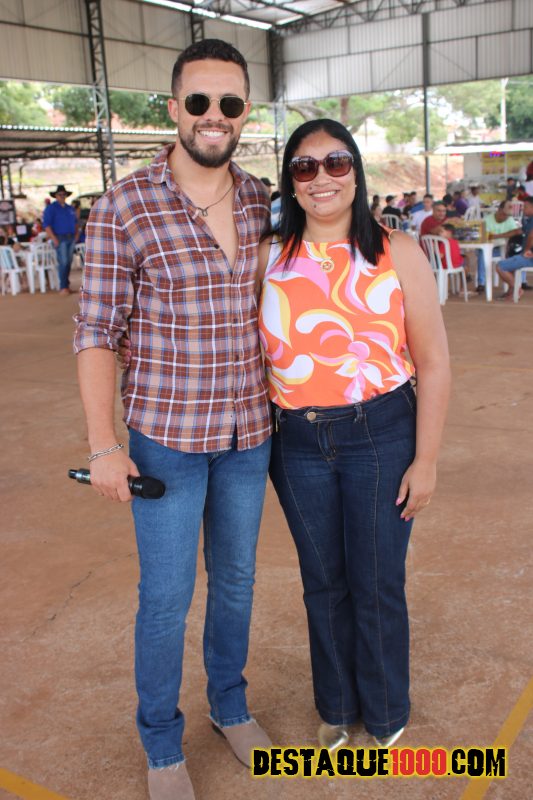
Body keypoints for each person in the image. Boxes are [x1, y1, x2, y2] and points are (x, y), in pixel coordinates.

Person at [74, 39, 273, 800]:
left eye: (229, 102)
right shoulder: (123, 205)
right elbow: (97, 332)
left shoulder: (258, 199)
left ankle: (230, 705)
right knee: (164, 599)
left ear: (244, 112)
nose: (213, 116)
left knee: (236, 582)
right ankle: (161, 743)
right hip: (167, 441)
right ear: (173, 109)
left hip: (249, 435)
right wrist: (103, 445)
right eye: (199, 101)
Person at [257, 119, 450, 752]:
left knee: (376, 581)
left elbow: (434, 363)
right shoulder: (267, 256)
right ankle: (337, 706)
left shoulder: (398, 251)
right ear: (291, 180)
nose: (321, 178)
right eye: (305, 166)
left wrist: (426, 461)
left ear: (356, 172)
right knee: (323, 582)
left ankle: (387, 707)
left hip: (382, 435)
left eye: (335, 163)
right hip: (296, 443)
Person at [495, 195, 533, 300]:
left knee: (500, 266)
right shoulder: (529, 220)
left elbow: (531, 236)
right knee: (510, 263)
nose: (523, 209)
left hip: (530, 257)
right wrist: (498, 236)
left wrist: (526, 250)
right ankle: (512, 290)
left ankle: (517, 290)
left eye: (525, 207)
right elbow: (518, 231)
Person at [43, 184, 78, 295]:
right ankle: (63, 286)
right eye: (60, 194)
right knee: (63, 262)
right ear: (56, 196)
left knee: (68, 262)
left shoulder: (70, 208)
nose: (62, 196)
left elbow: (76, 222)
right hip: (59, 237)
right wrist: (54, 238)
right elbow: (46, 225)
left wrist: (76, 235)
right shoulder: (51, 208)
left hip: (70, 237)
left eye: (64, 194)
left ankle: (66, 285)